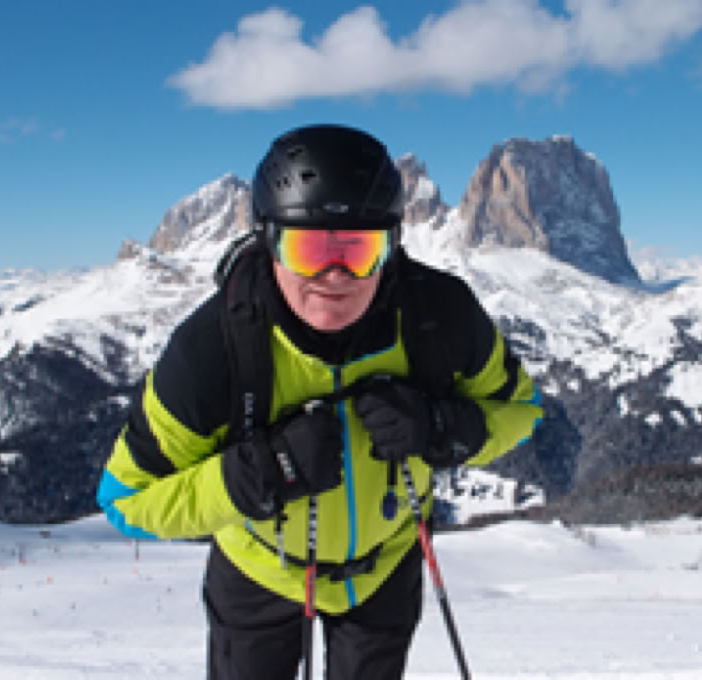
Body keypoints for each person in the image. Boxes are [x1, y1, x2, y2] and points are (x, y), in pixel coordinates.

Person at [96, 123, 543, 680]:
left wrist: (438, 428)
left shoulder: (439, 313)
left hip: (385, 574)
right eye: (310, 249)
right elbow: (127, 500)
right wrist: (259, 474)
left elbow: (522, 410)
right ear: (269, 241)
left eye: (359, 248)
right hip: (260, 576)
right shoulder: (213, 349)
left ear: (391, 246)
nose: (336, 276)